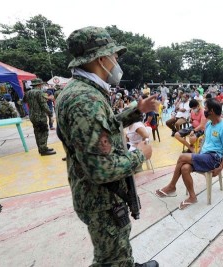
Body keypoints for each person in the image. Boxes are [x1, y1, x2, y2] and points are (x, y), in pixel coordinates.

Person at [55, 26, 158, 267]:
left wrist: (136, 111)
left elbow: (103, 127)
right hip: (101, 199)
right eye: (115, 57)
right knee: (113, 259)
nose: (116, 62)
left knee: (114, 250)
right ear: (101, 59)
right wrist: (139, 156)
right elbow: (101, 170)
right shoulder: (86, 99)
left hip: (94, 194)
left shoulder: (80, 90)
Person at [154, 99, 223, 209]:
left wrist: (220, 168)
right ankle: (192, 197)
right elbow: (206, 141)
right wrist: (198, 152)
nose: (204, 110)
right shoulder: (209, 124)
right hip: (205, 155)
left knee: (182, 157)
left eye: (206, 109)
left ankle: (172, 186)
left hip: (214, 158)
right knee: (185, 168)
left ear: (212, 111)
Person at [23, 78, 56, 156]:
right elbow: (44, 105)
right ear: (39, 85)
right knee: (43, 132)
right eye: (41, 84)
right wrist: (50, 114)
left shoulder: (28, 93)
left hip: (32, 115)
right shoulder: (39, 93)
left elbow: (24, 101)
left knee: (37, 132)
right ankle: (43, 150)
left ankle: (41, 148)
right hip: (40, 116)